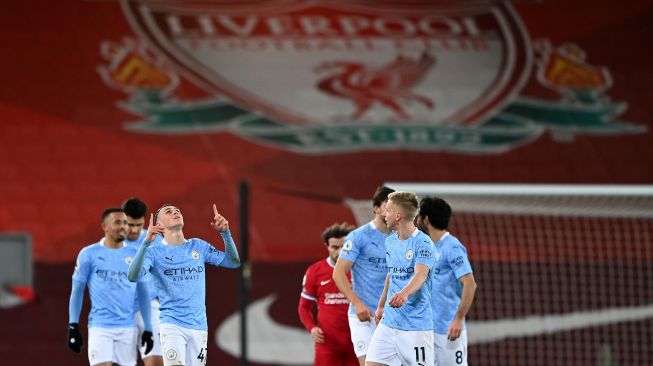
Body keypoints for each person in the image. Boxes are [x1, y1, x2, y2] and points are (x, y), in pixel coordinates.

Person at [128, 204, 240, 366]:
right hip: (172, 325)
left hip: (199, 326)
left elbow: (232, 262)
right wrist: (146, 243)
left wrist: (225, 233)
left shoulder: (198, 246)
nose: (175, 212)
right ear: (159, 225)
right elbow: (133, 276)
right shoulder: (154, 252)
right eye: (169, 212)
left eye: (177, 211)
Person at [68, 208, 154, 366]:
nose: (123, 226)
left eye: (125, 223)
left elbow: (143, 293)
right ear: (105, 226)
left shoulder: (137, 255)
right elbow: (77, 291)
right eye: (117, 222)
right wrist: (73, 325)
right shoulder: (89, 254)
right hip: (100, 327)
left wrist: (148, 328)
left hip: (128, 328)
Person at [367, 191, 436, 366]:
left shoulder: (423, 243)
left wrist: (405, 294)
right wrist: (382, 305)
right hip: (389, 323)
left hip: (416, 328)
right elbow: (391, 275)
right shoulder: (390, 241)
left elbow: (421, 274)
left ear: (398, 215)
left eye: (388, 210)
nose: (384, 213)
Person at [333, 186, 394, 366]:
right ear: (376, 208)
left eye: (395, 206)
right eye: (387, 205)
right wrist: (357, 303)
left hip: (391, 316)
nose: (391, 210)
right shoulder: (358, 237)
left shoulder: (401, 238)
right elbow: (338, 273)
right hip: (364, 316)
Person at [417, 197, 477, 366]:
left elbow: (470, 283)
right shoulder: (425, 245)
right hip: (426, 329)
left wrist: (458, 318)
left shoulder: (452, 247)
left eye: (420, 216)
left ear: (426, 220)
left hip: (447, 331)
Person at [298, 222, 358, 366]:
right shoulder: (315, 271)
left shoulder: (361, 270)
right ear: (327, 246)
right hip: (327, 344)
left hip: (357, 341)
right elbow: (304, 307)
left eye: (343, 246)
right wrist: (312, 328)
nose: (339, 252)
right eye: (335, 247)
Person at [122, 197, 164, 366]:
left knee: (155, 361)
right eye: (130, 224)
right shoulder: (112, 243)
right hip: (120, 308)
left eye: (138, 225)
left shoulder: (156, 242)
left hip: (149, 305)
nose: (134, 229)